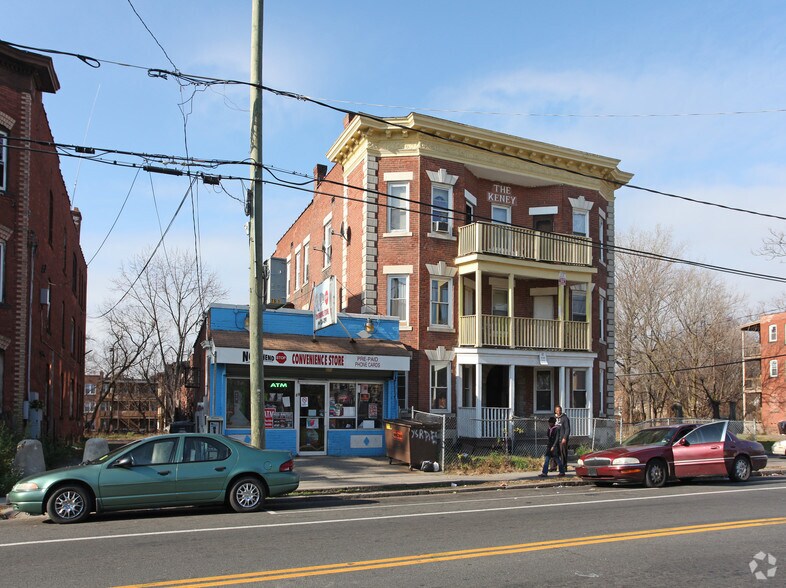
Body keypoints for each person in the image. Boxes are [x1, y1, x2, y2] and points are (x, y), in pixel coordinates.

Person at [555, 405, 571, 472]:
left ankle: (564, 467)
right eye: (557, 410)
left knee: (563, 453)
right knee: (554, 453)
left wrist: (565, 438)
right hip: (555, 439)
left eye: (560, 410)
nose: (558, 412)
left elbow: (567, 429)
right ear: (555, 411)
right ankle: (553, 467)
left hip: (562, 439)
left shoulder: (565, 418)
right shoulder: (554, 418)